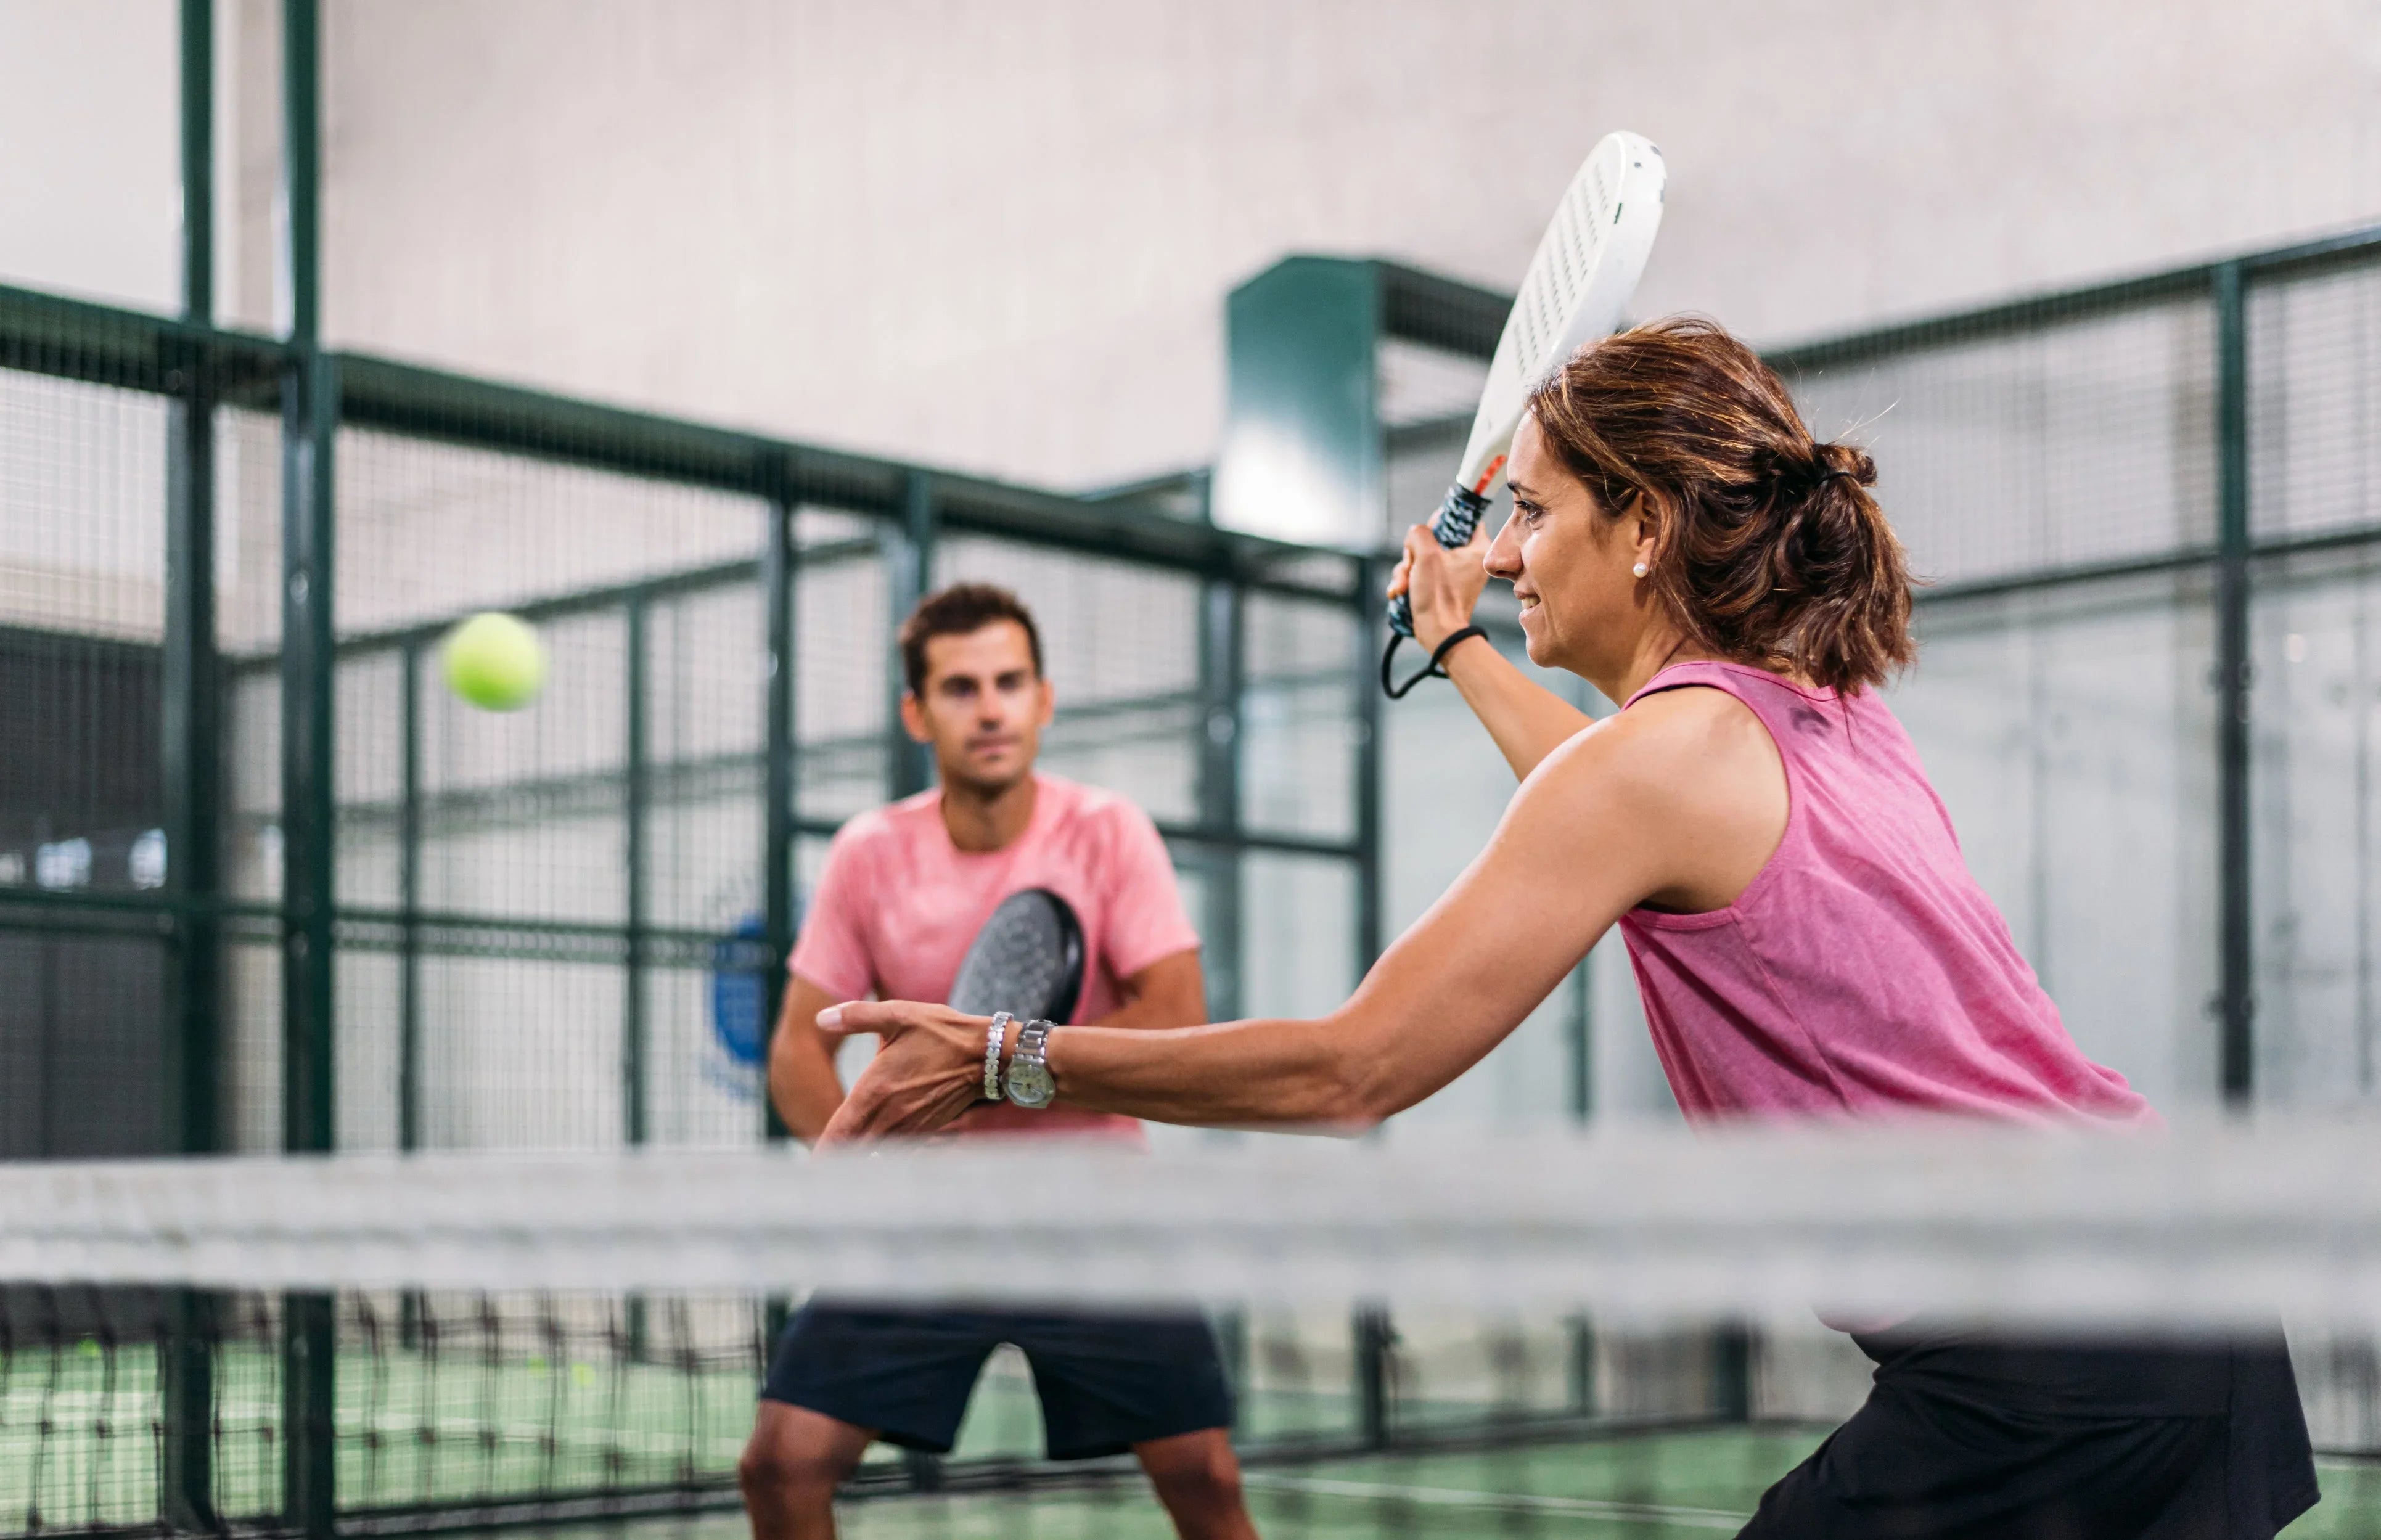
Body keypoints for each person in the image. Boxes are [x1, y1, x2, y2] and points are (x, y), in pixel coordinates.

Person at [815, 321, 2321, 1539]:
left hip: (2047, 1359)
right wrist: (1460, 636)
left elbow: (1354, 1070)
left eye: (1534, 510)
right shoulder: (1815, 712)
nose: (1513, 544)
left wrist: (1008, 1056)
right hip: (2175, 1295)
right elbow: (1599, 798)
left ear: (1647, 527)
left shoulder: (1658, 762)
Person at [737, 583, 1255, 1540]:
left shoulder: (1106, 832)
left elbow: (1175, 1012)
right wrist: (862, 1162)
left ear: (1044, 700)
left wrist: (986, 1068)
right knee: (778, 1467)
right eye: (962, 685)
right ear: (917, 711)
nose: (990, 707)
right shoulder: (869, 853)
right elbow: (799, 1050)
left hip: (1094, 1212)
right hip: (926, 1228)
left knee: (1205, 1481)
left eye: (1010, 682)